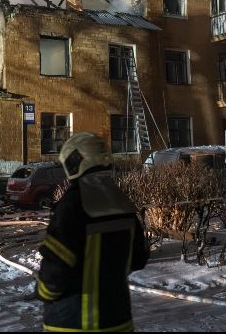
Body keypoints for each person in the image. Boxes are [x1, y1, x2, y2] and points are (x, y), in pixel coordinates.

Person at [36, 132, 150, 332]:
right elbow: (138, 259)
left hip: (72, 323)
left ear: (74, 162)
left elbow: (57, 267)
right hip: (118, 321)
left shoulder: (72, 204)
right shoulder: (123, 202)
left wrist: (43, 291)